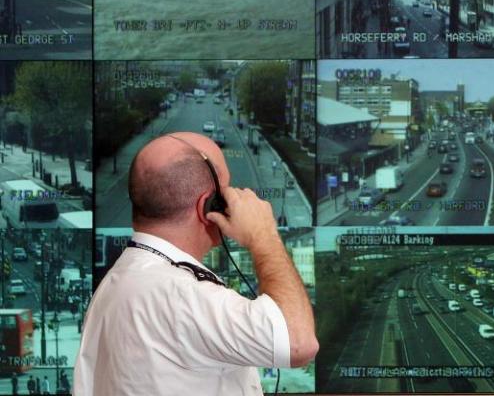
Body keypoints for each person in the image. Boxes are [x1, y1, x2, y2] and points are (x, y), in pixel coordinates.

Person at [74, 132, 319, 395]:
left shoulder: (114, 286)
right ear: (208, 207)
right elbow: (298, 344)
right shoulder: (181, 295)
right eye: (227, 190)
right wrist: (263, 234)